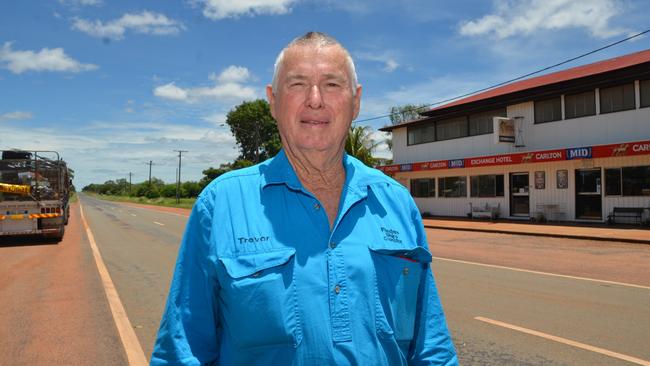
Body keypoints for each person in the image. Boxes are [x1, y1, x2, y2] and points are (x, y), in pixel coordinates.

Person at [151, 31, 458, 365]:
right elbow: (182, 352)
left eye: (332, 84)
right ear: (273, 100)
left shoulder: (396, 202)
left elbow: (432, 349)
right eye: (297, 84)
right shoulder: (220, 204)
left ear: (356, 102)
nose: (315, 99)